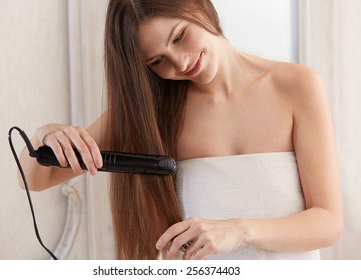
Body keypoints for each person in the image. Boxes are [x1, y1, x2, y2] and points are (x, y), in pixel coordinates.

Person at [18, 0, 342, 260]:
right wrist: (46, 134)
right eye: (158, 60)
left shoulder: (297, 86)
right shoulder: (152, 113)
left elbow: (328, 222)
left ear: (197, 5)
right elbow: (31, 178)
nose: (180, 62)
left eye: (179, 36)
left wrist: (240, 230)